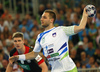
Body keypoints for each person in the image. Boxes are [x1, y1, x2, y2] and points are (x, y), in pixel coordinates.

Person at [9, 8, 88, 72]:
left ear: (51, 20)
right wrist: (18, 57)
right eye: (41, 17)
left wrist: (85, 15)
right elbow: (33, 54)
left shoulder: (61, 30)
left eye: (44, 17)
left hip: (69, 69)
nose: (41, 19)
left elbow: (81, 27)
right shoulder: (40, 36)